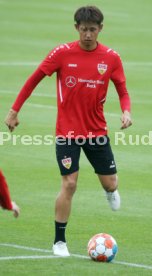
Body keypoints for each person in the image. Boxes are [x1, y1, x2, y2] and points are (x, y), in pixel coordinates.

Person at [5, 6, 132, 256]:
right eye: (83, 29)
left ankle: (111, 190)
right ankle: (59, 241)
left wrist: (126, 111)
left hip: (97, 133)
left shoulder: (111, 58)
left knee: (110, 184)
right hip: (67, 133)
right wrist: (14, 110)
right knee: (69, 184)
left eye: (92, 30)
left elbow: (123, 90)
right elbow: (33, 79)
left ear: (100, 29)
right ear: (76, 28)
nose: (87, 34)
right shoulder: (62, 53)